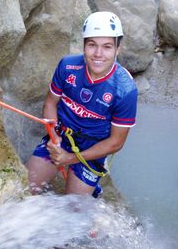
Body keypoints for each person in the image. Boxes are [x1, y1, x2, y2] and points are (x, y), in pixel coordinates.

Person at [26, 11, 137, 198]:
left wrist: (69, 158)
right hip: (61, 135)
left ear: (118, 49)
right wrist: (54, 138)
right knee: (26, 189)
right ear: (84, 45)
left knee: (74, 210)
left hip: (94, 146)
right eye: (92, 45)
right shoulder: (68, 66)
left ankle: (93, 188)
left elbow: (116, 143)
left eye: (107, 47)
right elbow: (51, 103)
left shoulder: (125, 90)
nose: (98, 54)